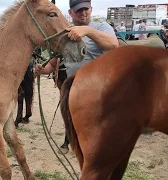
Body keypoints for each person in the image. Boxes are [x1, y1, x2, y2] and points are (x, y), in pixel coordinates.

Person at [35, 0, 118, 153]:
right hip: (74, 86)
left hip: (97, 87)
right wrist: (43, 69)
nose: (83, 13)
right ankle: (71, 142)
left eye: (86, 9)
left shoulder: (100, 27)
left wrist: (87, 31)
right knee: (72, 117)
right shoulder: (65, 32)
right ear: (71, 12)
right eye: (78, 10)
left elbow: (113, 45)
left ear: (91, 10)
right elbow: (54, 62)